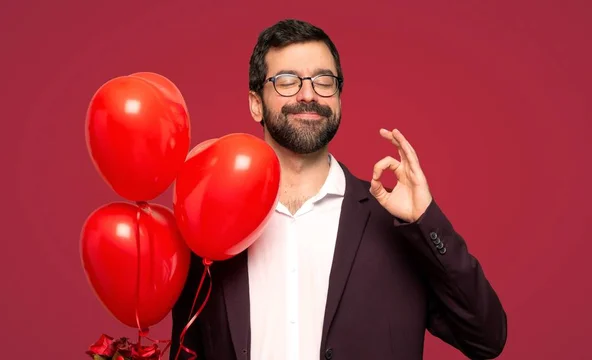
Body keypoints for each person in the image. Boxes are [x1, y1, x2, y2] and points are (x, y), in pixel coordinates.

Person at [170, 19, 507, 360]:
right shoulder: (213, 222)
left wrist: (426, 219)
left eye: (323, 81)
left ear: (338, 97)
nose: (308, 94)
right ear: (256, 103)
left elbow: (487, 337)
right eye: (287, 81)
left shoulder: (396, 223)